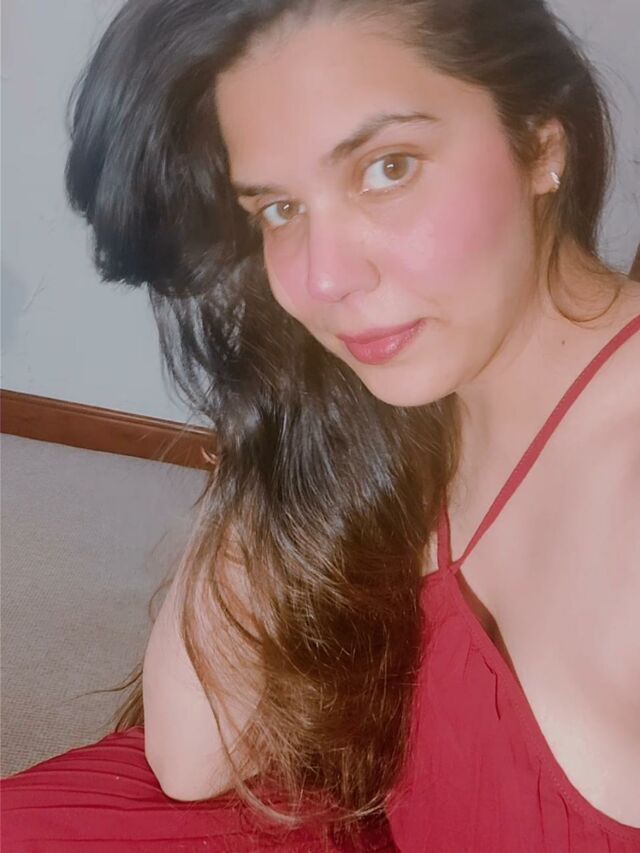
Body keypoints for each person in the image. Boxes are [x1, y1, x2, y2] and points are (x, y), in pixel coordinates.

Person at [2, 0, 639, 850]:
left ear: (542, 143)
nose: (323, 278)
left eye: (388, 168)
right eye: (277, 209)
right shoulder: (410, 395)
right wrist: (281, 400)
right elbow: (193, 752)